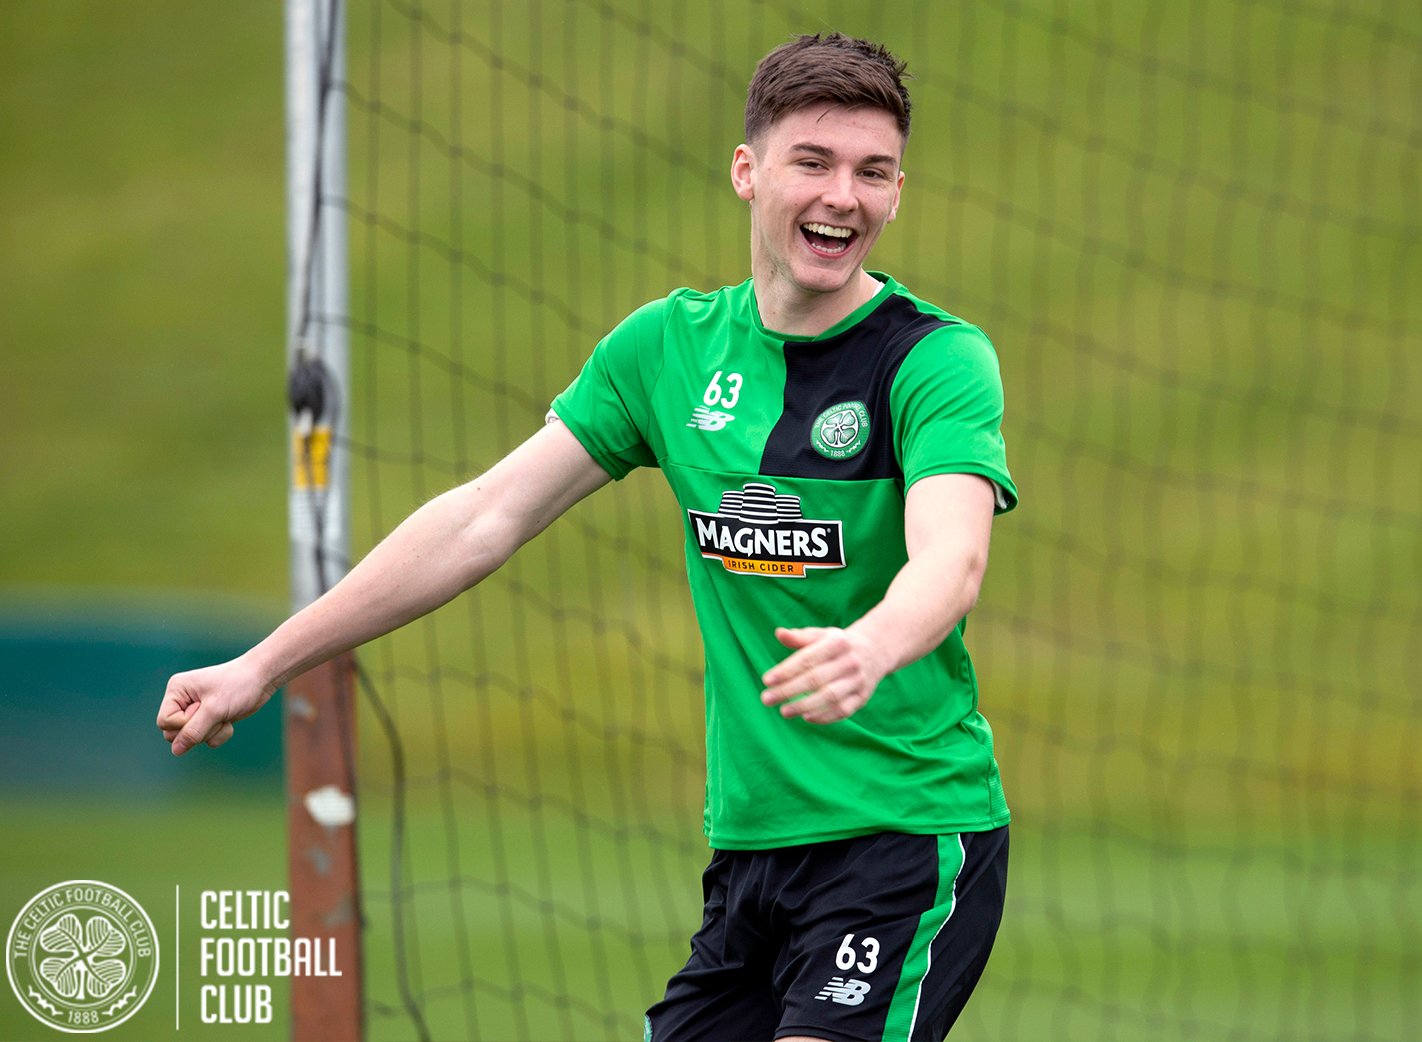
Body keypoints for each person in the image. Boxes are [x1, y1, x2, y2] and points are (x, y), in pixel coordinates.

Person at [158, 32, 1017, 1042]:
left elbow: (952, 556)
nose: (843, 197)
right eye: (813, 163)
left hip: (906, 833)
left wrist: (870, 644)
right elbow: (484, 517)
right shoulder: (665, 349)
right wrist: (262, 665)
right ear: (747, 171)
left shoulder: (935, 360)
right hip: (753, 849)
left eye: (872, 172)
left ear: (898, 192)